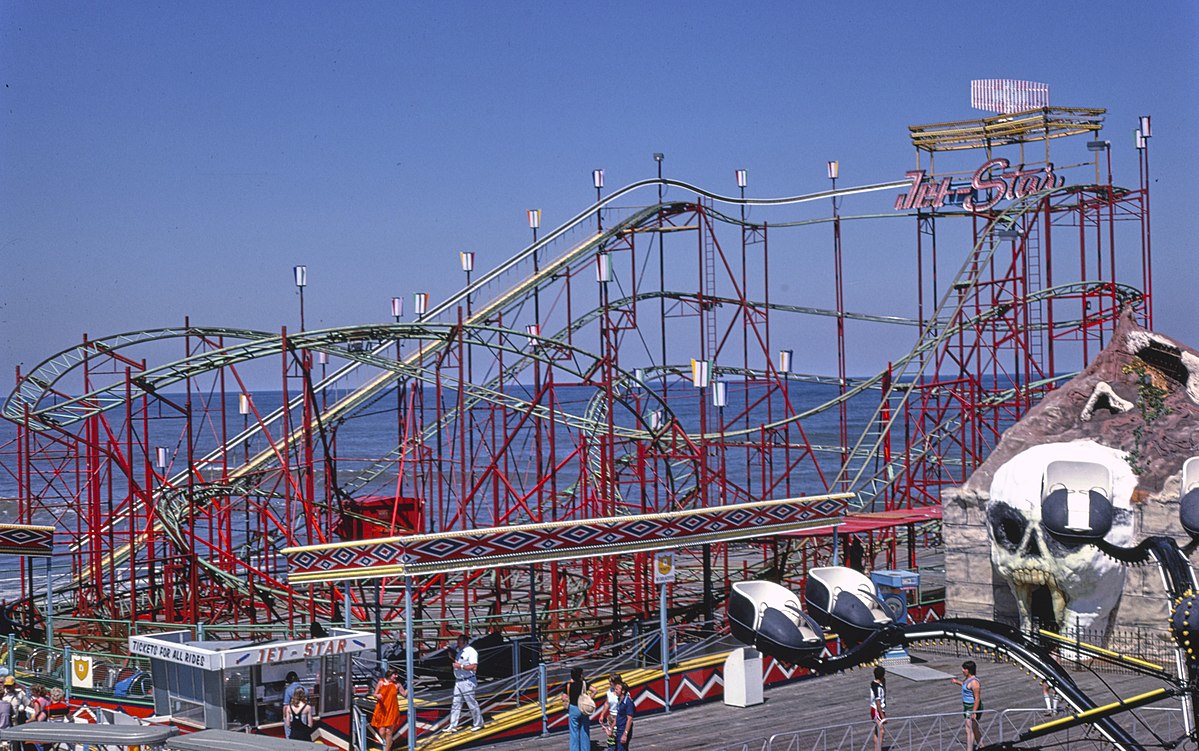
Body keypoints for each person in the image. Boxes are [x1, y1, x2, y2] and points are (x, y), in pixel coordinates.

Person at [445, 634, 483, 733]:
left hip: (467, 681)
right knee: (456, 703)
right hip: (459, 680)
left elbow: (474, 667)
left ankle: (478, 723)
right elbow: (459, 663)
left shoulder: (471, 652)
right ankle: (453, 725)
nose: (458, 643)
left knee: (471, 702)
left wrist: (460, 666)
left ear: (465, 642)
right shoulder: (459, 652)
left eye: (459, 641)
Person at [562, 666, 596, 751]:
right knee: (584, 730)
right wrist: (590, 698)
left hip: (573, 708)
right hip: (583, 708)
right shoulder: (584, 683)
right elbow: (595, 690)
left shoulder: (568, 685)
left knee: (574, 732)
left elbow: (563, 697)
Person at [951, 660, 983, 750]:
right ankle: (983, 747)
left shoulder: (974, 682)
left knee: (969, 729)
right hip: (967, 706)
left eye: (964, 669)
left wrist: (974, 711)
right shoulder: (967, 680)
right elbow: (965, 686)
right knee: (975, 729)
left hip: (971, 707)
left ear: (969, 670)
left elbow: (977, 698)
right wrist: (957, 682)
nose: (962, 670)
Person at [370, 669, 404, 751]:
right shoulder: (381, 682)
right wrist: (377, 695)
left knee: (389, 732)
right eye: (394, 674)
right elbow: (374, 693)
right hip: (382, 709)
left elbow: (404, 694)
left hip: (392, 709)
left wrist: (411, 685)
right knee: (382, 731)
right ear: (389, 675)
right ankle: (390, 742)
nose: (396, 676)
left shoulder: (397, 684)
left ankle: (387, 749)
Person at [598, 672, 622, 750]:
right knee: (611, 739)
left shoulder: (623, 692)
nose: (609, 683)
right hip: (611, 717)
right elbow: (607, 703)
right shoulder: (610, 691)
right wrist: (602, 715)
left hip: (620, 717)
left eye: (610, 682)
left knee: (619, 738)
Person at [612, 679, 634, 751]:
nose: (615, 690)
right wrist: (611, 728)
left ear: (623, 691)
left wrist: (625, 734)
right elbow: (618, 715)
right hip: (619, 729)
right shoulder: (619, 700)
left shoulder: (628, 702)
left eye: (617, 689)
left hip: (623, 730)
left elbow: (630, 719)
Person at [869, 666, 886, 751]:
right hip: (876, 711)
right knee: (881, 731)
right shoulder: (878, 688)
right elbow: (878, 702)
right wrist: (883, 717)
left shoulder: (874, 683)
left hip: (875, 710)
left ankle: (877, 749)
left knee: (877, 731)